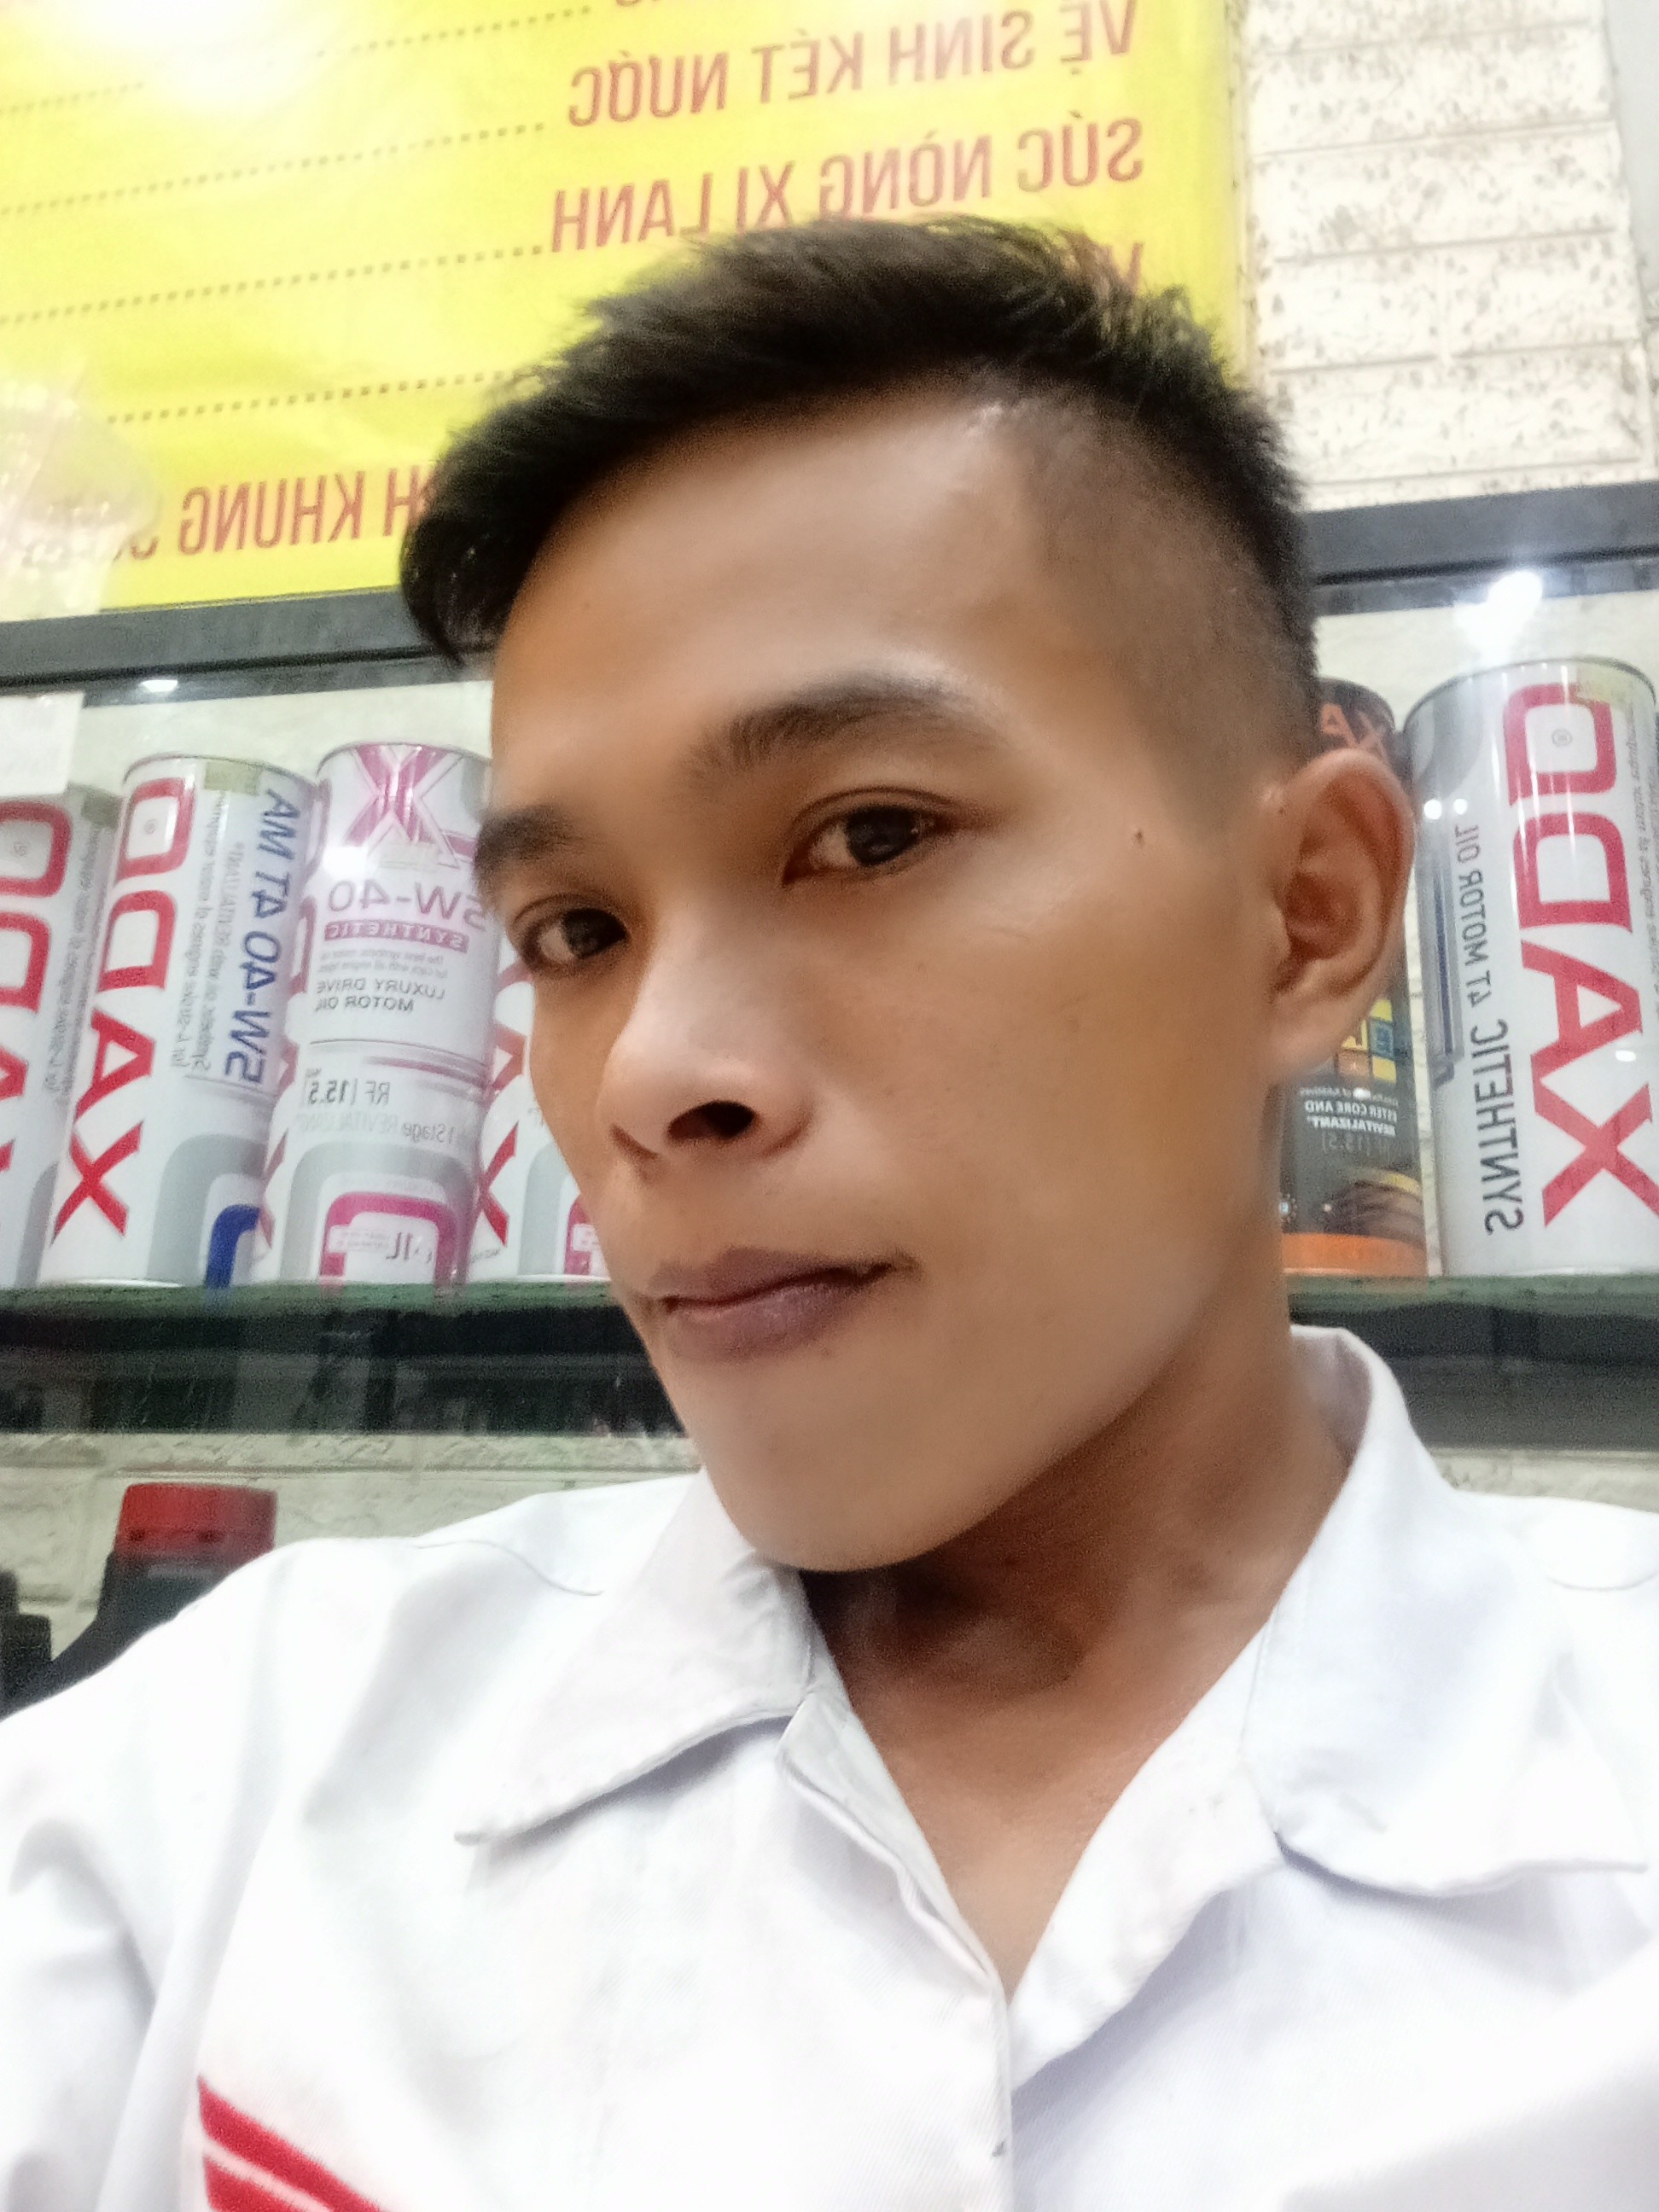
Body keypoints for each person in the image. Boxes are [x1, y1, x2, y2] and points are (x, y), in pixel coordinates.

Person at [3, 218, 1658, 2212]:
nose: (652, 1074)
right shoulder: (219, 1798)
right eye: (575, 932)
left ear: (1308, 916)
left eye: (868, 837)